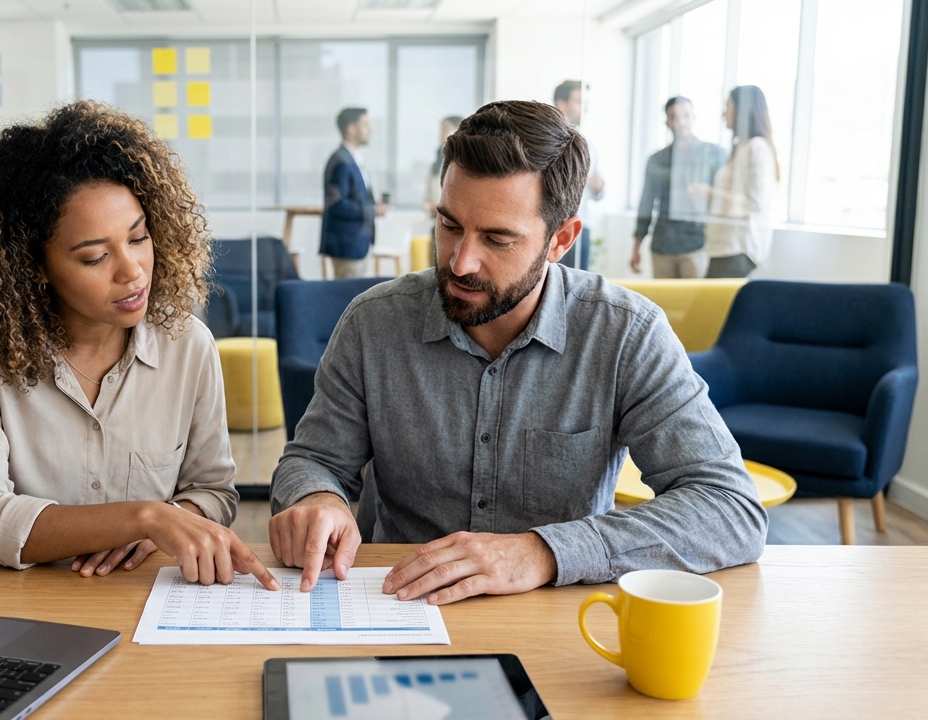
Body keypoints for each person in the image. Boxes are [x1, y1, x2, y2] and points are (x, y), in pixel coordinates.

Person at [268, 100, 765, 604]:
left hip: (559, 614)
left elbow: (730, 507)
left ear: (561, 240)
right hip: (398, 603)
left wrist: (543, 551)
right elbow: (313, 459)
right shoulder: (374, 322)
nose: (461, 262)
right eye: (450, 226)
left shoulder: (625, 334)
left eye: (497, 239)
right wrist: (318, 497)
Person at [0, 100, 279, 588]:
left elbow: (212, 491)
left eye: (138, 238)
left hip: (142, 596)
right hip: (18, 600)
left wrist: (168, 524)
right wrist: (144, 517)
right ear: (33, 265)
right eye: (94, 257)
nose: (132, 272)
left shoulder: (187, 345)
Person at [629, 96, 727, 278]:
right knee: (663, 297)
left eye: (686, 115)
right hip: (662, 246)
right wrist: (636, 249)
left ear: (693, 118)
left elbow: (723, 198)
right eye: (674, 117)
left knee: (697, 297)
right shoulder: (657, 160)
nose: (680, 122)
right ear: (667, 122)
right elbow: (646, 205)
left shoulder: (713, 155)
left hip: (697, 245)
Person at [696, 85, 779, 278]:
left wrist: (711, 194)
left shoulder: (757, 148)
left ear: (742, 110)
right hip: (724, 249)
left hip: (738, 250)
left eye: (728, 107)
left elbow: (755, 203)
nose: (723, 114)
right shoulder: (740, 148)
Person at [319, 107, 386, 279]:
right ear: (351, 129)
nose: (370, 130)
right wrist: (372, 210)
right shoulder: (340, 161)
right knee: (347, 294)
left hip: (358, 243)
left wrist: (374, 206)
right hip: (347, 245)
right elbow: (336, 204)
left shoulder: (354, 159)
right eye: (365, 125)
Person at [553, 80, 603, 271]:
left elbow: (599, 190)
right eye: (580, 102)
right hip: (553, 225)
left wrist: (598, 186)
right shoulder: (545, 141)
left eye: (586, 103)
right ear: (561, 103)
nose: (585, 108)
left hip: (581, 227)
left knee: (578, 281)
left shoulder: (589, 143)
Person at [424, 115, 463, 230]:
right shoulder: (435, 165)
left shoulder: (465, 164)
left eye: (446, 129)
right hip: (436, 222)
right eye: (441, 129)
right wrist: (430, 205)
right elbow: (427, 197)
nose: (441, 134)